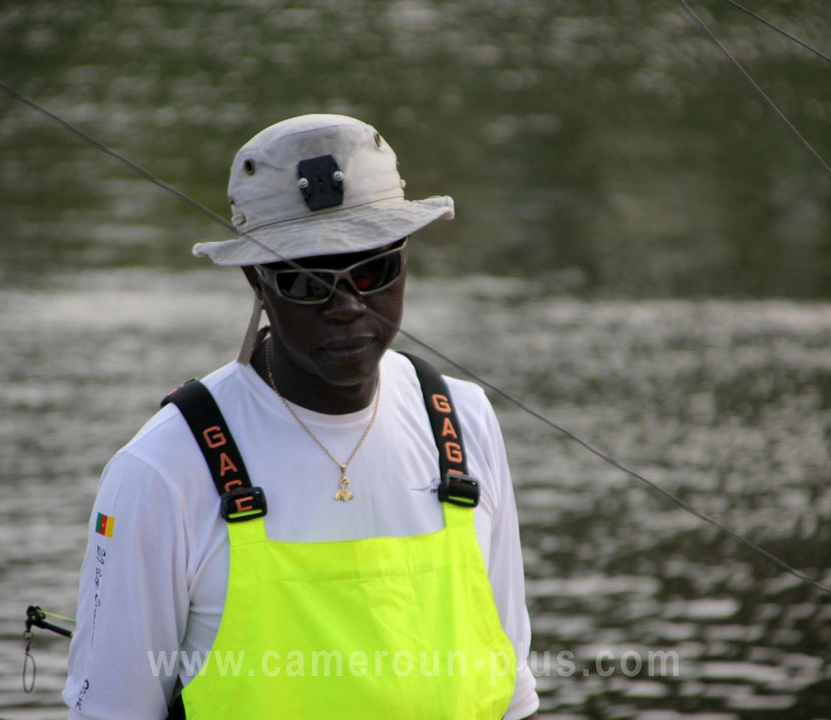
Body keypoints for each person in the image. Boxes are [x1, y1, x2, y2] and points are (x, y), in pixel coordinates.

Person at [63, 113, 540, 719]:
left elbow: (510, 693)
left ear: (405, 262)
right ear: (255, 280)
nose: (348, 306)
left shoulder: (464, 423)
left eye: (373, 270)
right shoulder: (162, 472)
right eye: (309, 281)